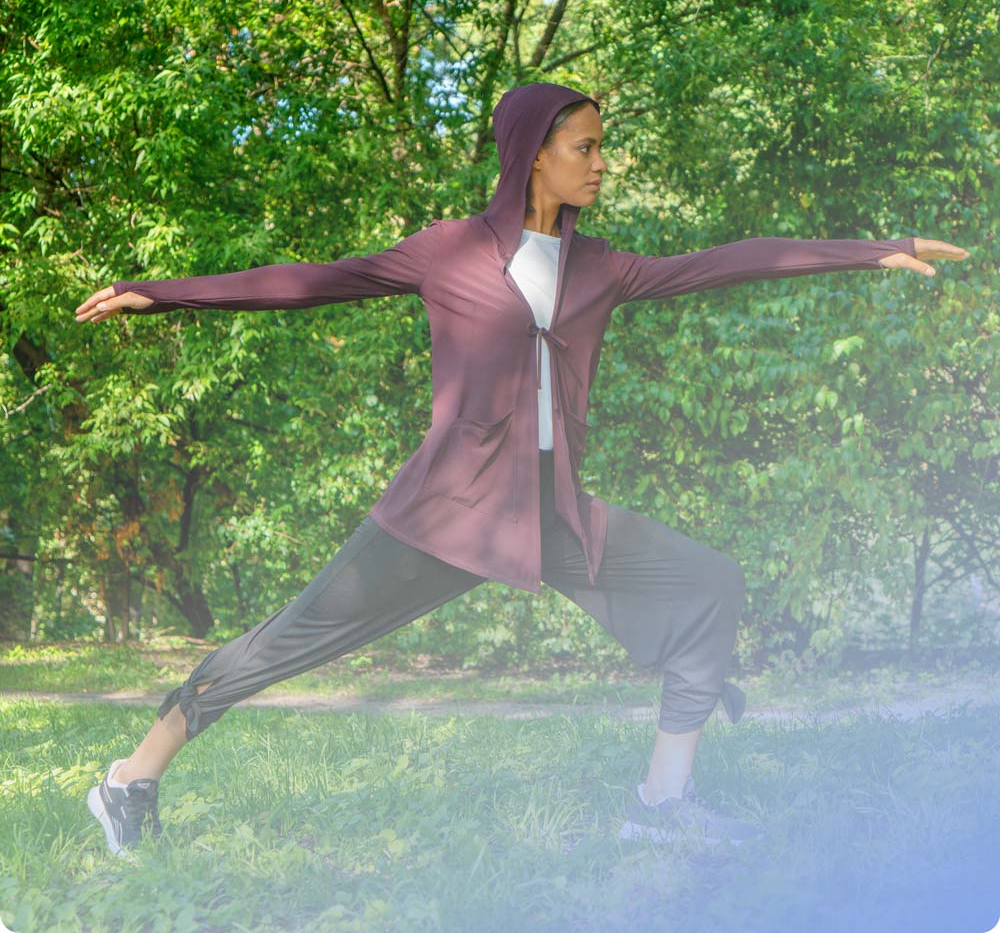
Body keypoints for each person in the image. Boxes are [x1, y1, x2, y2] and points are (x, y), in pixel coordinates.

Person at [77, 81, 969, 857]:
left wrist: (872, 249)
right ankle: (129, 779)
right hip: (443, 514)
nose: (600, 164)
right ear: (533, 156)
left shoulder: (601, 268)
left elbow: (725, 264)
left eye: (602, 149)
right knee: (292, 640)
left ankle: (662, 805)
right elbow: (315, 280)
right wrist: (162, 291)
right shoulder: (450, 250)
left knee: (708, 584)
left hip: (550, 520)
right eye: (585, 148)